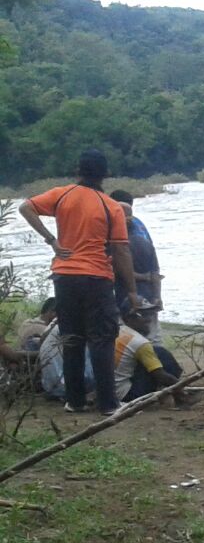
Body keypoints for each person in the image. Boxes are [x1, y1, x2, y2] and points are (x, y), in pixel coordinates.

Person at [18, 150, 142, 414]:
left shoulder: (61, 195)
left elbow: (25, 207)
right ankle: (109, 404)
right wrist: (132, 291)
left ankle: (74, 401)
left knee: (72, 337)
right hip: (96, 278)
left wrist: (51, 240)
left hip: (64, 277)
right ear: (105, 175)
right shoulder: (111, 207)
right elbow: (121, 251)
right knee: (102, 338)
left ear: (78, 171)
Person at [109, 190, 163, 341]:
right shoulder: (142, 234)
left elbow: (116, 270)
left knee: (128, 341)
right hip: (149, 296)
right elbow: (155, 272)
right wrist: (157, 296)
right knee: (153, 339)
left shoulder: (114, 242)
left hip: (126, 298)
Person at [113, 306, 186, 405]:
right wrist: (181, 386)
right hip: (128, 395)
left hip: (109, 390)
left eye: (150, 315)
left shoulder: (118, 331)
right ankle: (180, 397)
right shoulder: (140, 343)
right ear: (129, 319)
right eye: (143, 315)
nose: (149, 320)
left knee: (156, 352)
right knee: (161, 355)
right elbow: (160, 375)